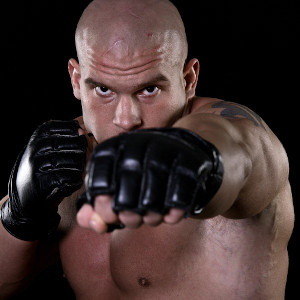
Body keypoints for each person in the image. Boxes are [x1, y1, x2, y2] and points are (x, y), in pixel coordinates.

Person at [0, 0, 294, 299]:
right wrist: (18, 216)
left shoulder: (228, 128)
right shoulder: (66, 156)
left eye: (149, 89)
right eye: (104, 90)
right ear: (77, 80)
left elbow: (247, 154)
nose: (126, 120)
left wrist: (200, 162)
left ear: (188, 79)